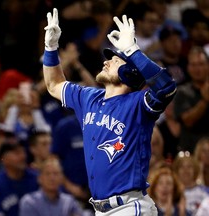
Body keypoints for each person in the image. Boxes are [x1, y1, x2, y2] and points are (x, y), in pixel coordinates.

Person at [42, 8, 176, 215]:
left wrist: (133, 51)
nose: (105, 61)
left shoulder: (138, 104)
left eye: (114, 61)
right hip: (100, 209)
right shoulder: (88, 98)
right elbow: (53, 85)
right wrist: (50, 48)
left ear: (129, 72)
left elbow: (167, 88)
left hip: (130, 207)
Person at [0, 142, 39, 216]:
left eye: (23, 152)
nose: (23, 156)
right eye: (17, 153)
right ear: (4, 159)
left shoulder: (37, 178)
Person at [19, 157, 84, 216]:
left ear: (61, 178)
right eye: (47, 174)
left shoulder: (69, 202)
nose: (52, 178)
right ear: (40, 178)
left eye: (56, 173)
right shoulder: (29, 202)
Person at [173, 46, 209, 153]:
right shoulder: (182, 92)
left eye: (201, 64)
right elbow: (188, 121)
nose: (197, 69)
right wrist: (205, 100)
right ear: (188, 67)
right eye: (193, 65)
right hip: (191, 151)